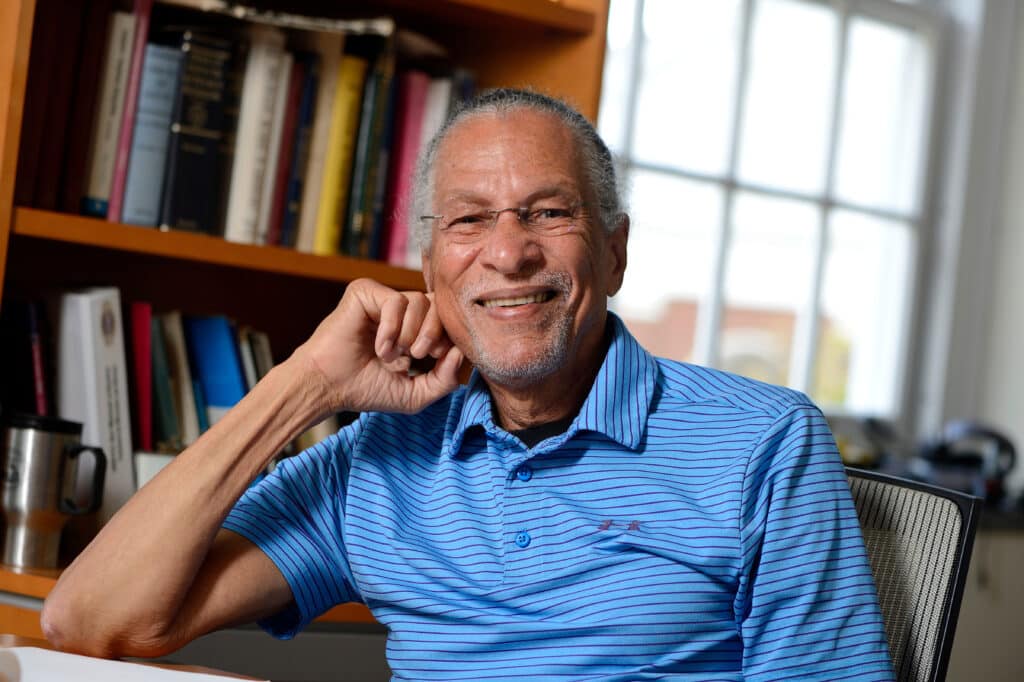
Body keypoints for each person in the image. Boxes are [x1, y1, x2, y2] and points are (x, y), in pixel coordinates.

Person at [42, 89, 894, 680]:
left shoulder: (763, 442)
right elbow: (92, 620)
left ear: (616, 251)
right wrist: (304, 384)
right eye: (469, 219)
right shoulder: (377, 459)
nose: (509, 251)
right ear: (432, 268)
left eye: (549, 212)